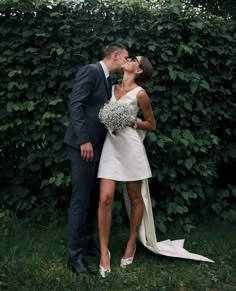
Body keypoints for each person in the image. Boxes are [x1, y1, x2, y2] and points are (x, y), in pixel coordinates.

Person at [64, 43, 129, 275]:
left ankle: (88, 244)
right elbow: (76, 105)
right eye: (126, 57)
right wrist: (83, 140)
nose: (127, 62)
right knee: (80, 201)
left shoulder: (107, 79)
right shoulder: (91, 71)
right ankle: (75, 257)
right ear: (115, 56)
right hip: (83, 147)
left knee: (92, 199)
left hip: (98, 148)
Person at [97, 55, 156, 278]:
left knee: (134, 197)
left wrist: (130, 121)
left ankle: (131, 242)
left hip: (131, 149)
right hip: (111, 148)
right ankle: (104, 252)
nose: (128, 58)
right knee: (105, 198)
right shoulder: (110, 87)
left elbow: (151, 124)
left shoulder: (141, 94)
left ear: (139, 70)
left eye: (133, 59)